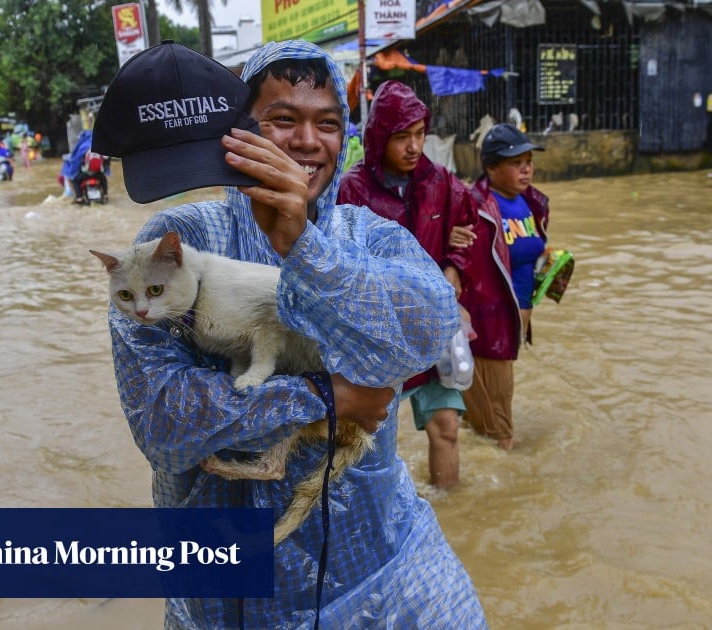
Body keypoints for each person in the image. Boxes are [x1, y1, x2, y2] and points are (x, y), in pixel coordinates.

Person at [106, 41, 487, 628]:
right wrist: (328, 397)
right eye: (283, 119)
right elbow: (160, 420)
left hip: (384, 567)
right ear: (238, 134)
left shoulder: (367, 238)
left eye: (328, 124)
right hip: (230, 592)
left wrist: (305, 248)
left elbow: (429, 329)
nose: (309, 141)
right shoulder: (176, 241)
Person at [336, 80, 476, 490]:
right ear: (380, 137)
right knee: (369, 439)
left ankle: (450, 512)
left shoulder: (440, 182)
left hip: (434, 331)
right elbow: (342, 264)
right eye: (402, 137)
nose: (415, 147)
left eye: (420, 135)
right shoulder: (353, 188)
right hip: (379, 335)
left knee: (447, 426)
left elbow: (466, 228)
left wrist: (453, 269)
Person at [450, 123, 551, 451]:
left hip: (514, 323)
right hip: (487, 328)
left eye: (529, 161)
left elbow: (521, 258)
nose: (526, 168)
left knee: (478, 416)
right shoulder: (473, 206)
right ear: (491, 168)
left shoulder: (533, 203)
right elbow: (449, 253)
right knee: (501, 433)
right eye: (516, 162)